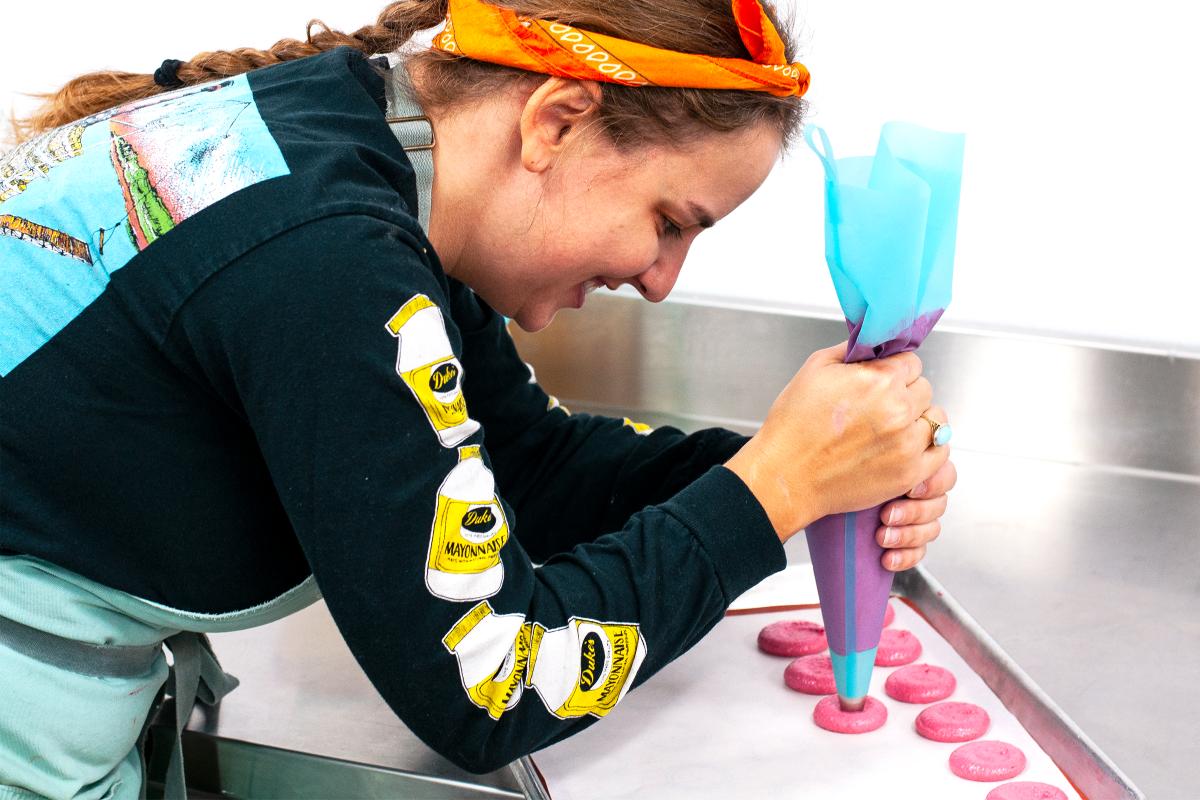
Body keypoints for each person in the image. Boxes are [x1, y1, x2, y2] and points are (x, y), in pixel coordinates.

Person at [0, 0, 955, 797]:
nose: (662, 280)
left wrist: (807, 467)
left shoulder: (363, 160)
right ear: (556, 121)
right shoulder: (326, 258)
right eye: (669, 222)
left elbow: (523, 469)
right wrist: (773, 492)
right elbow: (488, 687)